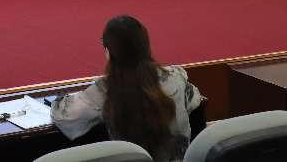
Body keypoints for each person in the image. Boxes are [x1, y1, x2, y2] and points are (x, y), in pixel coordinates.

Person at [51, 15, 202, 162]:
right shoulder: (176, 77)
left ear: (108, 52)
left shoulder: (104, 90)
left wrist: (61, 99)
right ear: (147, 46)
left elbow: (63, 116)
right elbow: (195, 103)